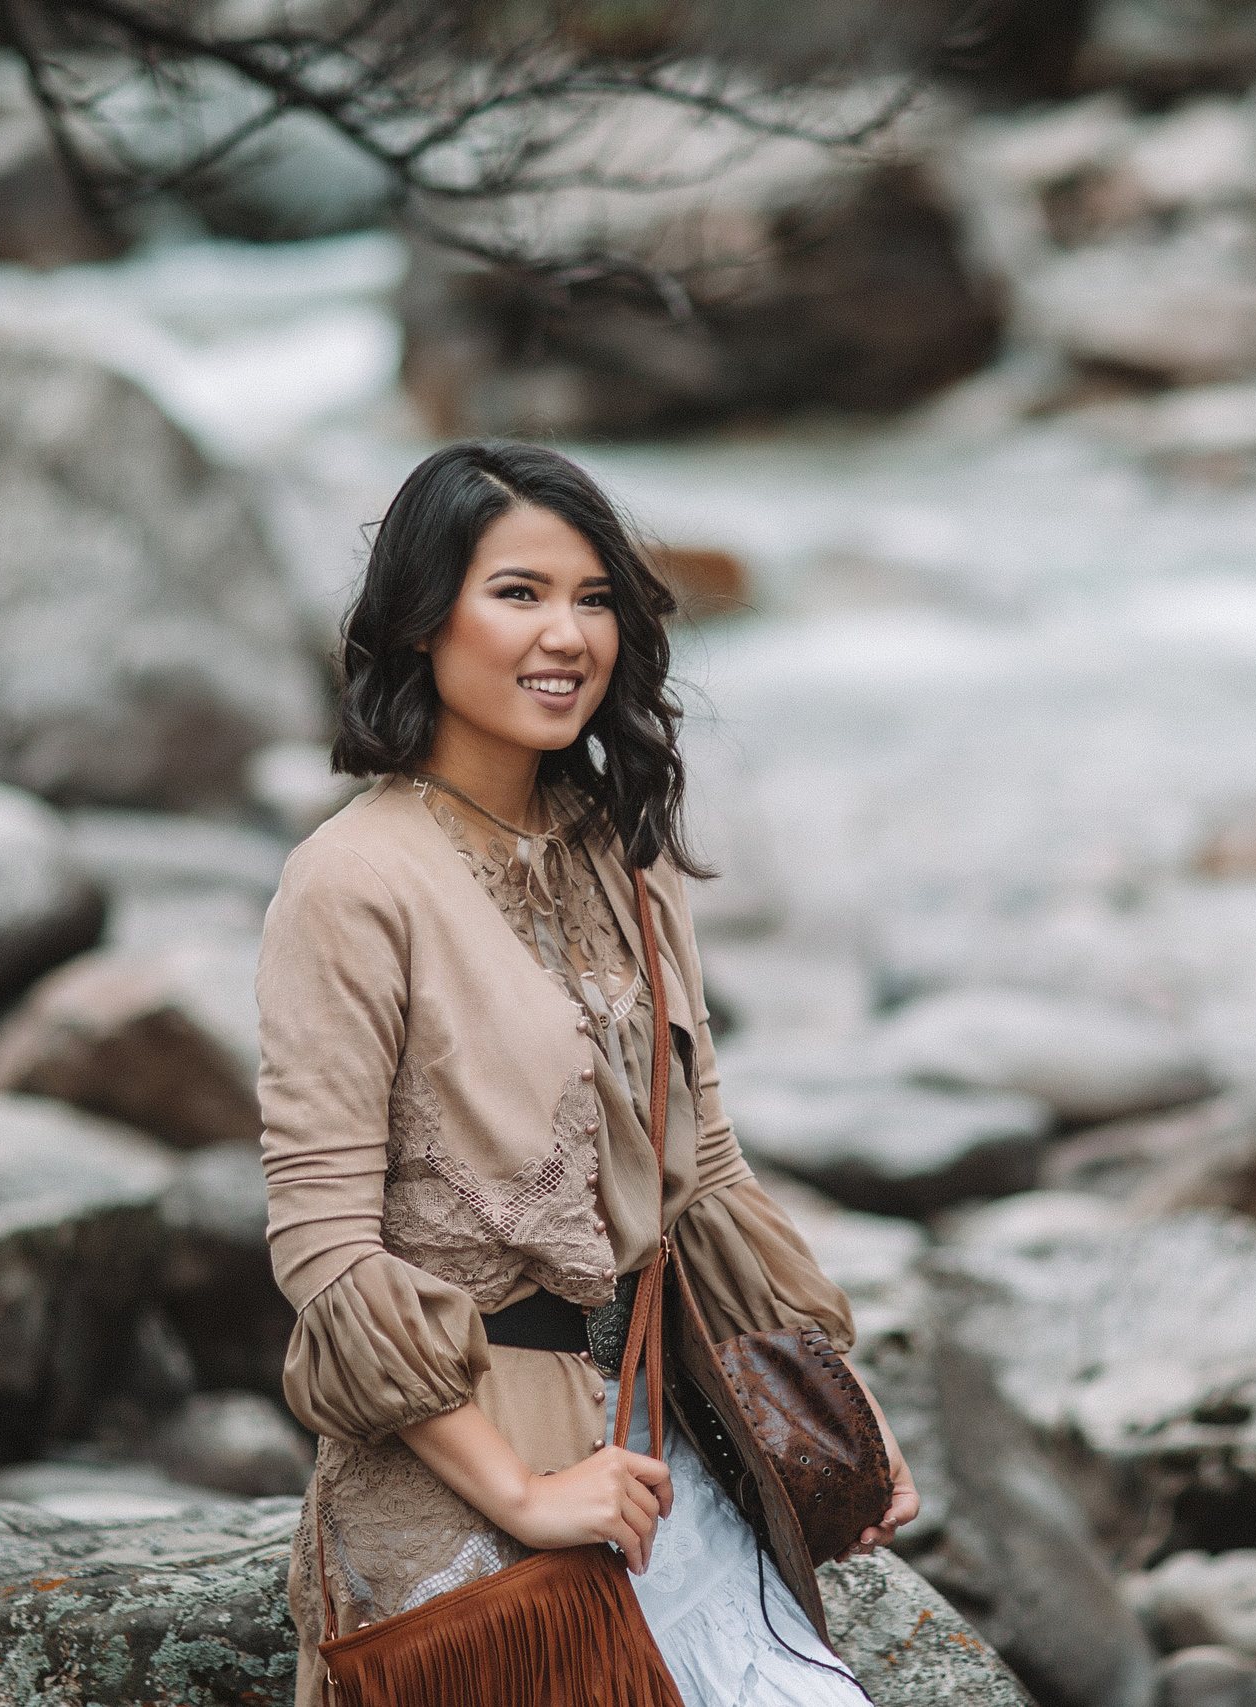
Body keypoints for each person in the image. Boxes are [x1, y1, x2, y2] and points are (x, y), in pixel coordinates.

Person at [259, 440, 918, 1707]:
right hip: (464, 1481)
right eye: (518, 593)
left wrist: (838, 1402)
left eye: (594, 597)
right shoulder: (349, 881)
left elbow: (705, 1169)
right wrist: (525, 1492)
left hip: (666, 1428)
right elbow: (325, 1245)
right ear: (418, 618)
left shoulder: (628, 852)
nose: (566, 634)